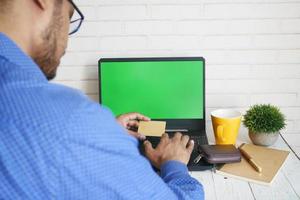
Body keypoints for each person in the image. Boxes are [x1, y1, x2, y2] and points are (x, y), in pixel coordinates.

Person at [0, 0, 204, 199]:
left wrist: (103, 133)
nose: (66, 41)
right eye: (69, 16)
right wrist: (175, 165)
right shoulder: (73, 124)